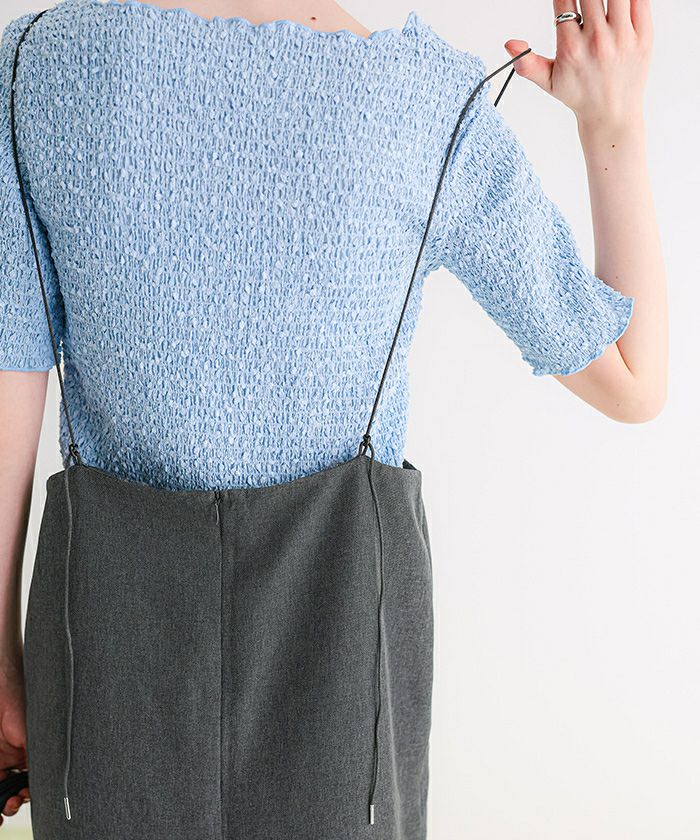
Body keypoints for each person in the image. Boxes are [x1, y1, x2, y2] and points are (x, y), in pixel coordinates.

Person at [0, 0, 666, 831]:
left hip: (105, 639)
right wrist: (613, 126)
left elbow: (9, 380)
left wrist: (2, 667)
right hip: (344, 643)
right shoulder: (427, 101)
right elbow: (632, 379)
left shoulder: (39, 65)